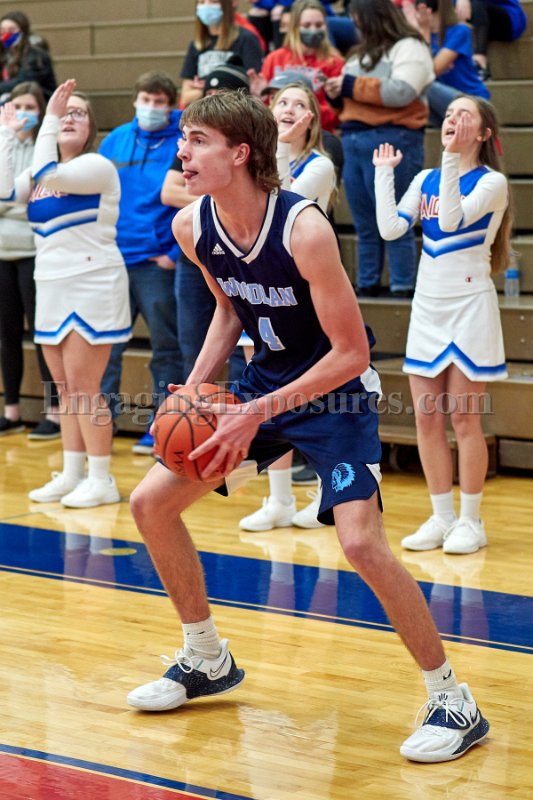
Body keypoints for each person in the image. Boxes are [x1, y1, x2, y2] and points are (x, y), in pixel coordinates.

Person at [127, 91, 490, 765]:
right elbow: (229, 311)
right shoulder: (192, 226)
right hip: (261, 385)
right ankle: (205, 658)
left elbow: (351, 353)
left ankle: (452, 700)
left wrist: (254, 413)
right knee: (150, 503)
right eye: (183, 139)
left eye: (198, 140)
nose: (183, 152)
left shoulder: (304, 229)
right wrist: (198, 386)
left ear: (240, 153)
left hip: (335, 394)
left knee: (360, 544)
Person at [374, 94, 510, 554]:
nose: (453, 118)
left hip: (470, 306)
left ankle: (471, 521)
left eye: (464, 114)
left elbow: (451, 221)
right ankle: (442, 516)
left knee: (464, 418)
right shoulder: (425, 178)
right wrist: (383, 174)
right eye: (449, 113)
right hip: (428, 308)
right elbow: (391, 229)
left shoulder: (492, 182)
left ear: (484, 133)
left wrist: (450, 159)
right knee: (427, 418)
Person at [0, 79, 131, 507]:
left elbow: (47, 174)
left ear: (91, 127)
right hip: (50, 285)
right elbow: (4, 191)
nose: (69, 118)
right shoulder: (39, 172)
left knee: (85, 385)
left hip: (92, 282)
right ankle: (73, 473)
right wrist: (6, 134)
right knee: (64, 387)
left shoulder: (97, 165)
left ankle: (102, 478)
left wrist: (49, 120)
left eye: (78, 113)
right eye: (64, 111)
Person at [238, 80, 336, 532]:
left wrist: (274, 144)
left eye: (300, 104)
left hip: (307, 290)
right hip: (260, 287)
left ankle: (326, 493)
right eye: (282, 103)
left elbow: (278, 201)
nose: (290, 109)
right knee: (265, 396)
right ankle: (278, 499)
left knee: (319, 395)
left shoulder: (320, 165)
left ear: (311, 120)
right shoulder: (254, 161)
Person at [325, 0, 434, 297]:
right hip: (353, 138)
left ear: (373, 18)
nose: (355, 26)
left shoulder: (410, 46)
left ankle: (402, 286)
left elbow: (402, 92)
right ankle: (367, 283)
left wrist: (351, 86)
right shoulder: (357, 54)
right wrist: (336, 94)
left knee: (396, 216)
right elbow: (352, 100)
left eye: (358, 19)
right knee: (364, 222)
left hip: (393, 137)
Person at [99, 71, 183, 455]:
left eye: (160, 102)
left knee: (166, 349)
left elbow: (198, 197)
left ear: (171, 105)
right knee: (106, 350)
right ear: (135, 101)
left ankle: (161, 426)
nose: (152, 107)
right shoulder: (115, 140)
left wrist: (174, 255)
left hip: (156, 263)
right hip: (114, 261)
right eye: (146, 100)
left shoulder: (182, 140)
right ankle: (102, 426)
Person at [0, 81, 60, 440]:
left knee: (43, 333)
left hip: (36, 252)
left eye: (30, 106)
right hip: (2, 253)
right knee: (6, 334)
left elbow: (37, 201)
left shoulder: (46, 149)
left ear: (41, 111)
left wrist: (12, 204)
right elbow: (9, 196)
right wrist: (14, 203)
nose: (23, 113)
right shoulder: (2, 143)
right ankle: (11, 411)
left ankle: (53, 412)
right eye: (17, 106)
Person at [249, 0, 345, 132]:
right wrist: (259, 97)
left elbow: (337, 114)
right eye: (306, 25)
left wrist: (303, 113)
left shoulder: (335, 62)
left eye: (319, 25)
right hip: (277, 133)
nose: (313, 30)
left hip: (317, 133)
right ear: (294, 27)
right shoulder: (275, 58)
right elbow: (266, 109)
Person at [409, 0, 489, 125]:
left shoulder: (460, 31)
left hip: (473, 101)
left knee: (421, 83)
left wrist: (424, 30)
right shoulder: (417, 37)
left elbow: (430, 71)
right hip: (443, 109)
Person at [180, 0, 264, 108]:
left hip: (234, 110)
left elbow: (252, 89)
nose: (206, 6)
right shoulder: (196, 44)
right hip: (203, 111)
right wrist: (216, 86)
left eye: (213, 1)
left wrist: (206, 87)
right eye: (201, 2)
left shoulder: (247, 39)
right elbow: (186, 97)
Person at [0, 11, 56, 102]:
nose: (6, 34)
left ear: (23, 31)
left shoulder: (37, 55)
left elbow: (23, 83)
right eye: (2, 31)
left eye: (12, 30)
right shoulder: (5, 54)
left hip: (39, 103)